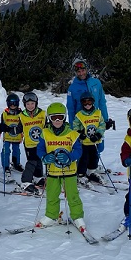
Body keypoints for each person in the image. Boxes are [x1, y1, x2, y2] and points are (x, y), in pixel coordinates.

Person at [36, 102, 86, 230]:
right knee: (52, 194)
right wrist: (44, 157)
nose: (57, 120)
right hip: (52, 171)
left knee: (72, 194)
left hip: (69, 171)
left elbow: (78, 150)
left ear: (65, 117)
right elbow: (40, 149)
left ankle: (77, 216)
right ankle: (51, 215)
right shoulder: (44, 133)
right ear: (49, 118)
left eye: (60, 117)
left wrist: (70, 157)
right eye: (54, 117)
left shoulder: (72, 134)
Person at [66, 59, 113, 158]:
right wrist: (73, 127)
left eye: (83, 70)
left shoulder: (96, 83)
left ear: (87, 69)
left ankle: (94, 164)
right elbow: (70, 108)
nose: (81, 73)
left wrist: (105, 119)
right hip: (81, 122)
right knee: (83, 148)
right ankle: (82, 164)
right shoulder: (72, 88)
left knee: (99, 146)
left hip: (95, 120)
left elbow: (102, 102)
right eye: (78, 71)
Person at [72, 91, 106, 184]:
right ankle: (81, 174)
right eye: (85, 102)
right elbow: (75, 126)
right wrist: (80, 134)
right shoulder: (79, 115)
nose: (87, 105)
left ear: (93, 102)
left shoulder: (98, 113)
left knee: (94, 157)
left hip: (94, 141)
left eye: (89, 102)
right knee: (84, 158)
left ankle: (91, 171)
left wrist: (98, 135)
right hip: (84, 142)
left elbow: (102, 125)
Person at [17, 92, 46, 193]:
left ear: (36, 103)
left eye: (32, 103)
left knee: (39, 160)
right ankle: (26, 181)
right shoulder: (22, 116)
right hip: (29, 144)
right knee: (32, 161)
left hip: (41, 143)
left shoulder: (42, 114)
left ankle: (38, 177)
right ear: (24, 104)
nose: (30, 106)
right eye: (28, 104)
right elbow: (18, 128)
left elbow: (47, 126)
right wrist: (7, 128)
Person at [0, 93, 24, 176]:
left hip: (16, 136)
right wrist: (0, 127)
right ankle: (6, 166)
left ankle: (16, 163)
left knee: (16, 150)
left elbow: (22, 125)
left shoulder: (21, 114)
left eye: (14, 103)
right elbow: (2, 123)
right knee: (6, 150)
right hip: (7, 136)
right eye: (11, 104)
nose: (12, 106)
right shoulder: (5, 113)